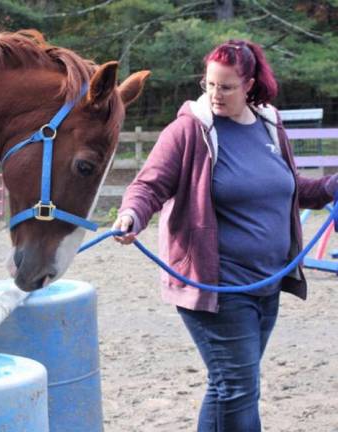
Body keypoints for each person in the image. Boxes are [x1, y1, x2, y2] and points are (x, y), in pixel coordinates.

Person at [112, 40, 338, 431]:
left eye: (227, 86)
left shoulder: (269, 124)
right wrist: (131, 214)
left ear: (249, 84)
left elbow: (289, 188)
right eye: (210, 84)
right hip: (216, 287)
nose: (215, 94)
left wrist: (332, 185)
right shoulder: (188, 130)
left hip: (266, 285)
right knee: (237, 387)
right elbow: (148, 186)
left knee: (229, 388)